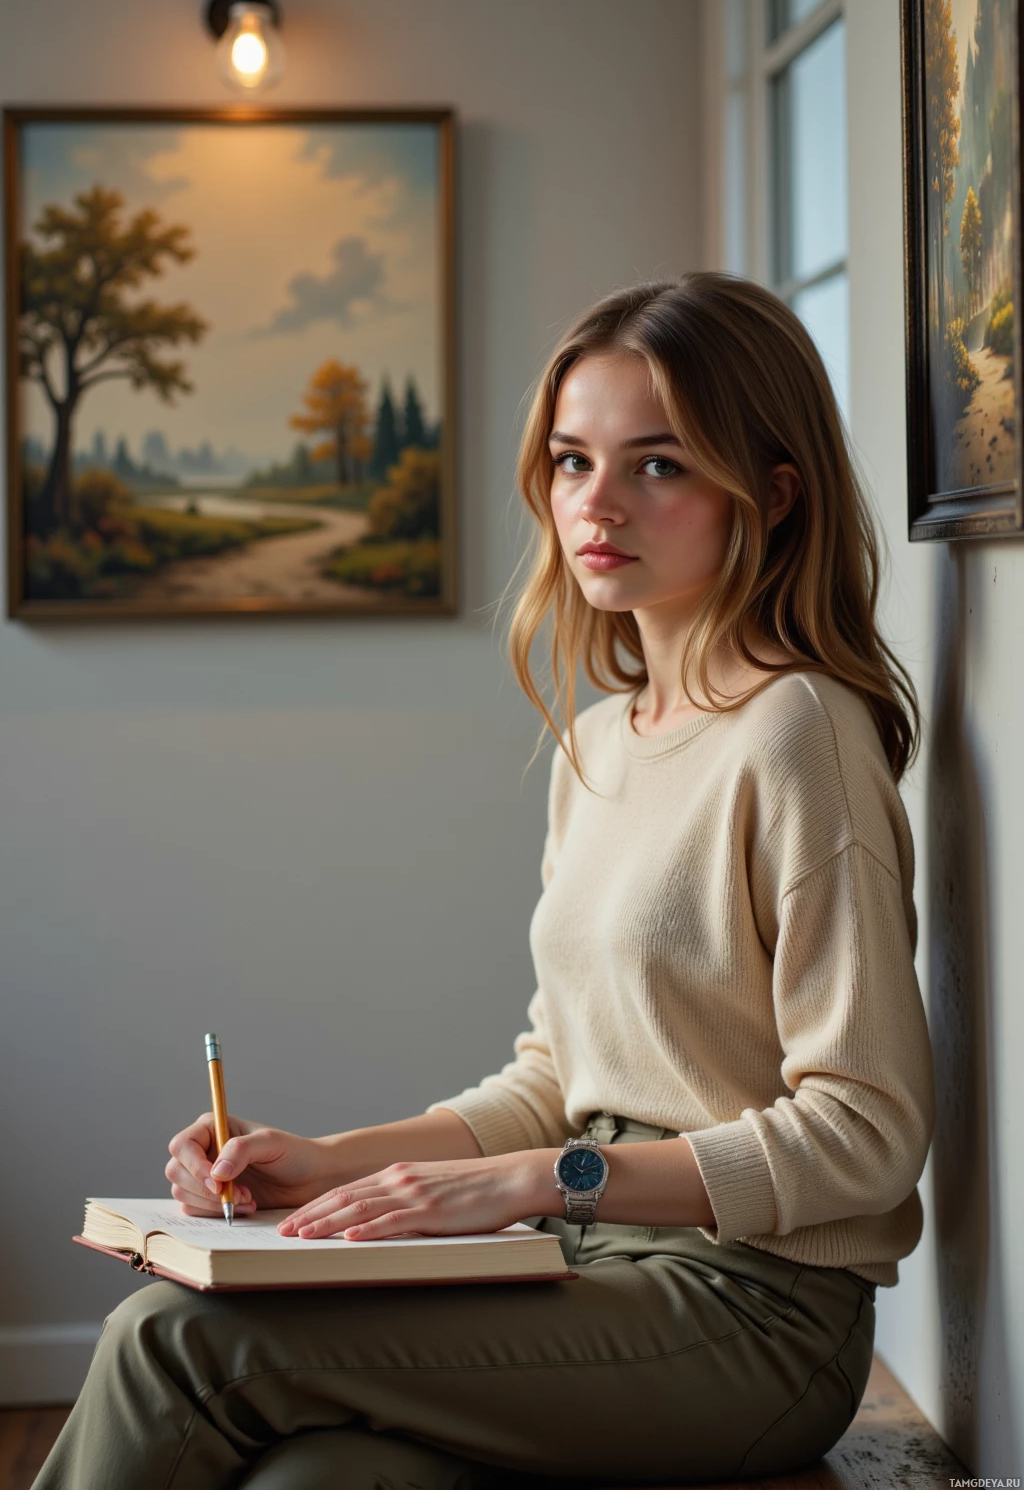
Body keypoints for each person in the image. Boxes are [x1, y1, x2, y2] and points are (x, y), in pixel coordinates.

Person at [35, 274, 935, 1490]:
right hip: (583, 1267)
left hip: (752, 1317)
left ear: (769, 492)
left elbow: (867, 1133)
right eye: (572, 460)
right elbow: (559, 1076)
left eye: (657, 464)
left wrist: (533, 1182)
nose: (596, 503)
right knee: (312, 1481)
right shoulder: (606, 742)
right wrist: (331, 1160)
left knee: (172, 1346)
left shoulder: (798, 736)